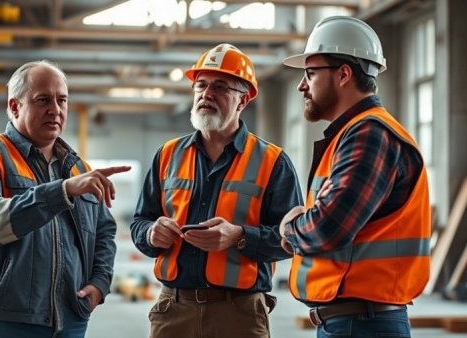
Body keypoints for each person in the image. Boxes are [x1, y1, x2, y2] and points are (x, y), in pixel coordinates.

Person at [0, 60, 131, 338]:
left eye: (62, 100)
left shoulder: (78, 168)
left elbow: (104, 230)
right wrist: (61, 191)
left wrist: (100, 282)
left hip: (70, 321)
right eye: (43, 99)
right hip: (3, 322)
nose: (55, 109)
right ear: (14, 107)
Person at [130, 43, 303, 338]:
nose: (206, 94)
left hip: (240, 314)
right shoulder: (168, 155)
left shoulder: (273, 162)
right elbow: (140, 221)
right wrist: (150, 233)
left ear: (243, 101)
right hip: (173, 310)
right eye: (201, 85)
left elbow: (294, 238)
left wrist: (238, 237)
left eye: (220, 87)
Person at [280, 16, 431, 337]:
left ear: (344, 74)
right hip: (355, 320)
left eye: (310, 73)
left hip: (362, 323)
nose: (301, 85)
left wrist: (289, 226)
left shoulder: (369, 135)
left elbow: (328, 228)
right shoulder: (353, 134)